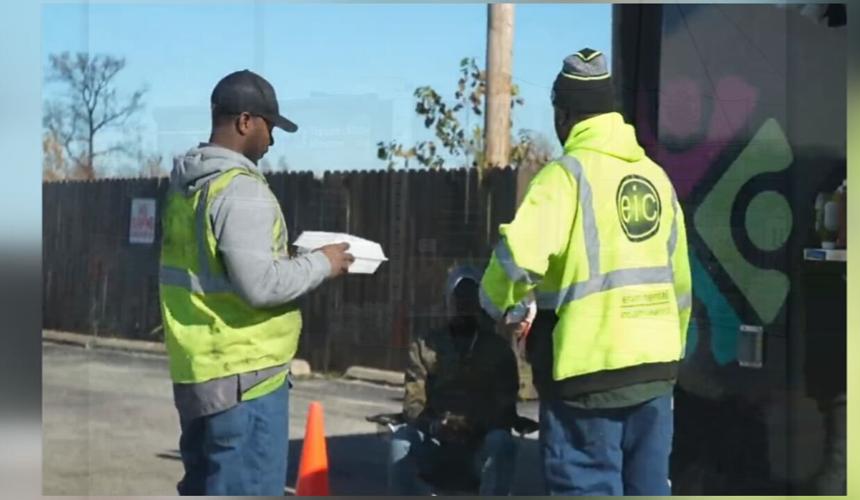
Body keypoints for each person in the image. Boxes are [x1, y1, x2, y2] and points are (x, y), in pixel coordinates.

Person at [479, 48, 693, 496]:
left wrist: (498, 305)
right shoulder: (657, 178)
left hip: (587, 380)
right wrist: (667, 352)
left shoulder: (565, 178)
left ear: (565, 115)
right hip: (655, 373)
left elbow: (517, 257)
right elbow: (680, 285)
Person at [158, 69, 354, 496]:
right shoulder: (240, 190)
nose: (272, 140)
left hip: (200, 375)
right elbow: (260, 286)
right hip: (246, 383)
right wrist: (323, 263)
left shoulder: (186, 189)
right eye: (269, 126)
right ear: (246, 121)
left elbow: (219, 271)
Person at [388, 265, 532, 495]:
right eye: (459, 298)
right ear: (449, 302)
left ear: (480, 303)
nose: (464, 306)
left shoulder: (498, 350)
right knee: (401, 440)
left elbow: (505, 405)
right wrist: (435, 424)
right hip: (436, 440)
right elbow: (413, 401)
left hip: (479, 443)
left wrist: (474, 424)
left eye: (471, 298)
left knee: (501, 442)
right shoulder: (425, 345)